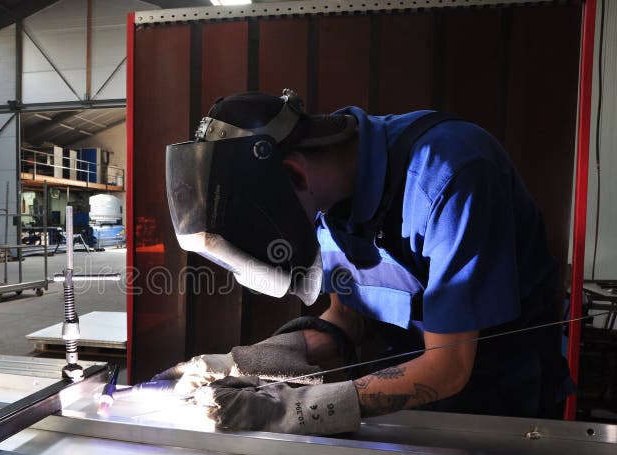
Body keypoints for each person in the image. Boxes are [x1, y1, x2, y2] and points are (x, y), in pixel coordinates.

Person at [157, 89, 571, 436]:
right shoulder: (328, 197)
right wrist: (243, 363)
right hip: (404, 397)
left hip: (499, 406)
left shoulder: (452, 174)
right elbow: (348, 320)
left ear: (295, 175)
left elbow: (449, 366)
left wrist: (294, 410)